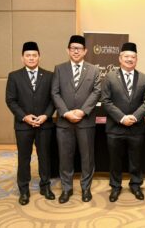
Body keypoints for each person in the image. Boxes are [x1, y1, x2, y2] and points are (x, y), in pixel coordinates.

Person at [51, 35, 101, 203]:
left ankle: (86, 188)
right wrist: (66, 113)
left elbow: (96, 92)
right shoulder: (59, 68)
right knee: (65, 157)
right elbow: (55, 93)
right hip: (64, 122)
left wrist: (81, 112)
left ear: (85, 51)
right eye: (73, 48)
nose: (76, 51)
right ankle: (67, 188)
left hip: (85, 121)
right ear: (68, 50)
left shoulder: (94, 70)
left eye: (79, 48)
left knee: (87, 157)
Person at [101, 42, 145, 202]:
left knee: (136, 159)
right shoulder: (109, 77)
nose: (130, 59)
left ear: (136, 59)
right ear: (120, 58)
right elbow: (106, 101)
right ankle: (115, 186)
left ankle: (136, 185)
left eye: (133, 57)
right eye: (126, 56)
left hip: (136, 128)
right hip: (115, 127)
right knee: (115, 160)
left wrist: (135, 117)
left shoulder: (144, 78)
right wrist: (122, 117)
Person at [6, 41, 55, 205]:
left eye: (34, 55)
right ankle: (24, 189)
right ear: (22, 58)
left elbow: (53, 100)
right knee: (24, 158)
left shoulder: (49, 75)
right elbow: (11, 100)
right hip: (23, 126)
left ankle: (45, 186)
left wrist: (46, 116)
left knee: (45, 157)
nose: (31, 58)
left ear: (39, 57)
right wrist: (24, 117)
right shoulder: (14, 76)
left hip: (44, 125)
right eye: (28, 55)